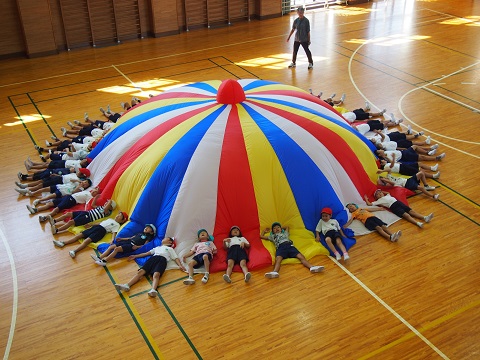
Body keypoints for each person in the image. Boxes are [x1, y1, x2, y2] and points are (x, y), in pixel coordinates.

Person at [114, 237, 186, 297]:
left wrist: (180, 265)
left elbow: (175, 258)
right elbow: (147, 253)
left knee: (156, 275)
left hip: (162, 260)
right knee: (140, 272)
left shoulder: (170, 249)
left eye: (166, 238)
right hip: (153, 259)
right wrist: (135, 256)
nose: (163, 239)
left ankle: (153, 290)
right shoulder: (157, 248)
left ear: (170, 242)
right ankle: (127, 285)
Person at [260, 222, 324, 278]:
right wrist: (264, 231)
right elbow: (261, 236)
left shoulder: (285, 233)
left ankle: (311, 267)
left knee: (301, 257)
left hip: (289, 246)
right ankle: (275, 272)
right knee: (278, 259)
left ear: (281, 229)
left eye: (278, 227)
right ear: (272, 231)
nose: (276, 229)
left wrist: (280, 228)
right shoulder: (272, 236)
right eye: (274, 228)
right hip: (281, 247)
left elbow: (287, 227)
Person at [52, 211, 128, 258]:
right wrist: (91, 224)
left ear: (122, 220)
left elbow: (114, 233)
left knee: (87, 241)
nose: (117, 216)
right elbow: (100, 223)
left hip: (101, 231)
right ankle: (63, 243)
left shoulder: (117, 225)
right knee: (79, 235)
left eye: (119, 216)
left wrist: (112, 240)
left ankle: (74, 251)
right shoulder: (110, 219)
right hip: (97, 227)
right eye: (118, 214)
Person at [92, 223, 156, 266]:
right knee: (111, 247)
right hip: (128, 242)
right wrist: (122, 239)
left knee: (116, 249)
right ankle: (100, 257)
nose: (146, 227)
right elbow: (130, 238)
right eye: (146, 227)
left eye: (149, 228)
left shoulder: (148, 238)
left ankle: (104, 261)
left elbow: (144, 245)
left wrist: (137, 247)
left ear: (152, 232)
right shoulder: (139, 233)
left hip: (131, 245)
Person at [364, 190, 433, 228]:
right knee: (406, 215)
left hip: (398, 202)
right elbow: (369, 204)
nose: (380, 194)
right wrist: (367, 199)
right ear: (377, 198)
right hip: (393, 206)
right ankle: (417, 223)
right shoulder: (379, 201)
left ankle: (424, 217)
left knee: (411, 211)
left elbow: (388, 192)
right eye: (378, 194)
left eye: (380, 193)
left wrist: (382, 191)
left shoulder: (388, 195)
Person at [48, 198, 116, 235]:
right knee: (68, 214)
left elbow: (105, 209)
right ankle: (54, 221)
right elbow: (93, 205)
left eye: (108, 204)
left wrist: (110, 202)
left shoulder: (107, 212)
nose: (106, 203)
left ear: (110, 208)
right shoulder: (101, 207)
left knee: (71, 222)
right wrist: (96, 197)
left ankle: (57, 230)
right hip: (86, 213)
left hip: (88, 217)